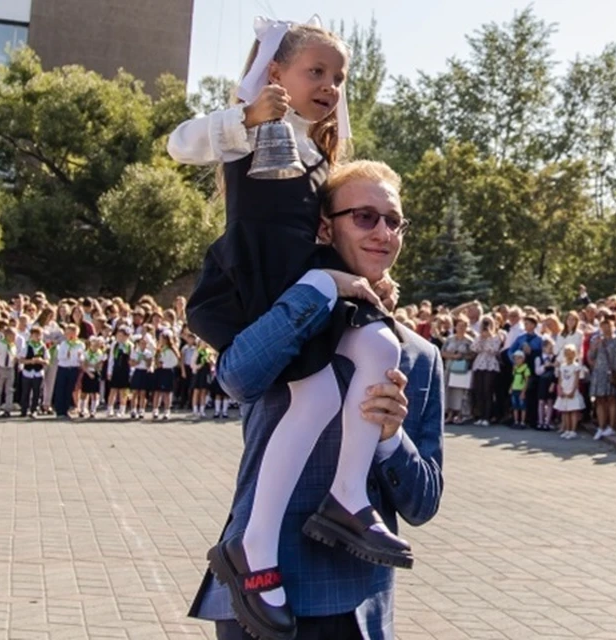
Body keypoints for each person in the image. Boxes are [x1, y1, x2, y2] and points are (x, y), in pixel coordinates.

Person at [169, 19, 418, 638]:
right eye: (317, 72)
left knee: (381, 342)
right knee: (318, 391)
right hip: (267, 289)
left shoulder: (313, 153)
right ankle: (254, 546)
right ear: (275, 74)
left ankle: (347, 497)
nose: (331, 86)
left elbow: (326, 234)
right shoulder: (252, 129)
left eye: (338, 77)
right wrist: (248, 109)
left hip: (301, 279)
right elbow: (179, 143)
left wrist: (359, 282)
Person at [188, 160, 443, 640]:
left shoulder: (419, 354)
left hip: (355, 603)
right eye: (365, 216)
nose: (382, 231)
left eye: (394, 220)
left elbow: (424, 502)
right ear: (326, 226)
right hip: (260, 593)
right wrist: (322, 287)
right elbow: (237, 378)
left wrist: (391, 437)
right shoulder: (286, 313)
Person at [587, 312, 616, 440]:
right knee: (600, 400)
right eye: (603, 325)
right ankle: (601, 426)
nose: (606, 327)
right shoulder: (595, 339)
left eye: (608, 324)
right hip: (599, 371)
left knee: (611, 399)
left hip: (612, 372)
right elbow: (590, 356)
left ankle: (611, 426)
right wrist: (594, 347)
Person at [469, 316, 502, 426]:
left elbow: (493, 350)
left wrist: (488, 337)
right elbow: (474, 348)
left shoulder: (497, 337)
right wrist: (481, 338)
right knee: (479, 391)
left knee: (487, 391)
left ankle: (487, 417)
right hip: (479, 364)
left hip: (490, 365)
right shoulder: (479, 337)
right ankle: (480, 416)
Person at [554, 344, 586, 439]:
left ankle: (573, 430)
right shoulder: (562, 366)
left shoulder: (576, 366)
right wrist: (560, 390)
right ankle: (567, 429)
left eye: (571, 353)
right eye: (567, 353)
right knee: (565, 411)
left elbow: (576, 380)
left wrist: (573, 391)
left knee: (572, 411)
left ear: (574, 354)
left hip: (572, 390)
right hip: (564, 390)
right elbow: (560, 380)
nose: (569, 355)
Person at [52, 324, 84, 419]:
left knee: (69, 389)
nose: (70, 335)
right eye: (68, 333)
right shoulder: (63, 344)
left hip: (73, 368)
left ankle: (65, 410)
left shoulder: (80, 344)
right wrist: (67, 354)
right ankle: (59, 410)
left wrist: (80, 357)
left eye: (72, 333)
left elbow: (82, 356)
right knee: (60, 389)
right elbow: (59, 357)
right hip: (63, 368)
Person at [19, 326, 49, 418]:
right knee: (25, 392)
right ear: (31, 336)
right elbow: (21, 360)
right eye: (35, 335)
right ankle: (24, 410)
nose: (37, 337)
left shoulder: (43, 347)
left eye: (39, 335)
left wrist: (41, 361)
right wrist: (30, 361)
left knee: (37, 393)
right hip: (27, 372)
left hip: (38, 373)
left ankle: (34, 410)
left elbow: (47, 361)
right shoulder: (27, 346)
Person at [0, 326, 19, 417]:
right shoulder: (0, 344)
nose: (15, 338)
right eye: (13, 335)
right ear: (7, 335)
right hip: (1, 368)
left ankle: (8, 409)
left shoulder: (13, 346)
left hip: (10, 369)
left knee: (9, 390)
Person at [533, 337, 557, 430]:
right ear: (543, 348)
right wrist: (545, 366)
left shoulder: (554, 358)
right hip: (542, 382)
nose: (551, 350)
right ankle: (540, 421)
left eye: (552, 348)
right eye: (549, 348)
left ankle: (548, 422)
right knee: (541, 402)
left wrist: (553, 383)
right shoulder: (539, 358)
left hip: (550, 381)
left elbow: (556, 372)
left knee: (550, 401)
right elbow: (537, 371)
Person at [508, 350, 530, 429]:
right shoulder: (515, 368)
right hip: (514, 389)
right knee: (515, 406)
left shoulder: (526, 368)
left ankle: (522, 422)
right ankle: (516, 421)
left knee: (522, 406)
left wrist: (523, 392)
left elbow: (527, 381)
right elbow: (513, 379)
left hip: (521, 390)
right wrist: (511, 388)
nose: (516, 360)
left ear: (523, 359)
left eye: (518, 358)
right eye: (515, 359)